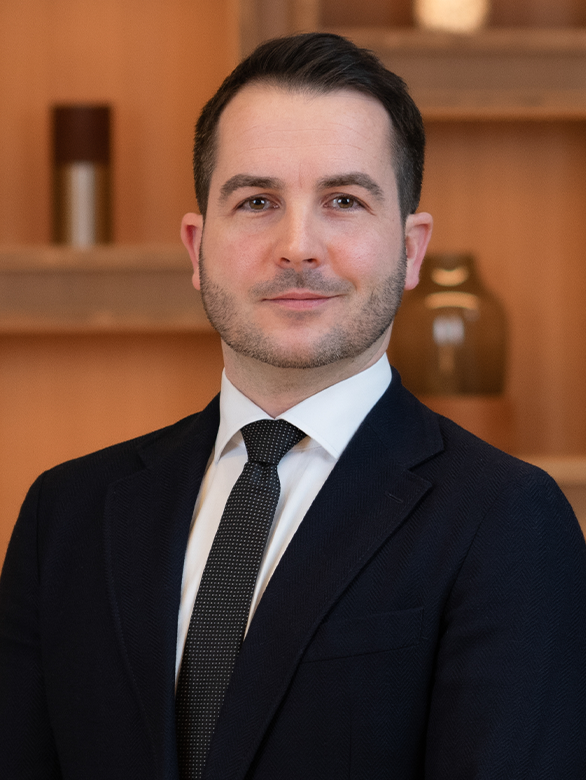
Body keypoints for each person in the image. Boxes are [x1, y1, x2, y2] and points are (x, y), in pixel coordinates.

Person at [1, 32, 585, 780]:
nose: (298, 246)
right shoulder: (66, 514)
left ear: (411, 250)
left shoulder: (507, 520)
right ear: (196, 246)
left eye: (344, 201)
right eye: (257, 201)